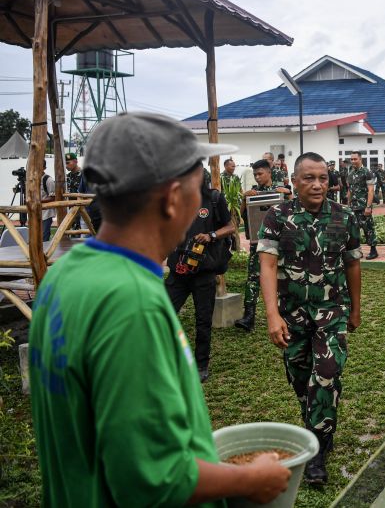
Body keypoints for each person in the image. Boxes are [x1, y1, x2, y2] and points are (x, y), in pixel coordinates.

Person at [28, 112, 290, 507]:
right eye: (195, 187)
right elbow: (152, 481)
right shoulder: (131, 302)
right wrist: (250, 479)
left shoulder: (64, 276)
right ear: (171, 199)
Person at [258, 152, 362, 485]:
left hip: (332, 312)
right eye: (309, 178)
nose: (318, 185)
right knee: (302, 381)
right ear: (293, 180)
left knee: (327, 373)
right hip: (292, 316)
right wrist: (273, 315)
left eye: (323, 178)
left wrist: (356, 309)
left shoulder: (345, 216)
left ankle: (316, 450)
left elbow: (353, 264)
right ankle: (320, 424)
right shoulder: (277, 216)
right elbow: (268, 266)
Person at [165, 170, 236, 382]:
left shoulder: (213, 199)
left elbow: (231, 226)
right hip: (178, 271)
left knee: (203, 322)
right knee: (162, 316)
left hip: (204, 273)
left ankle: (201, 365)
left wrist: (211, 235)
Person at [234, 160, 291, 332]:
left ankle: (286, 314)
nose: (257, 177)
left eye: (260, 173)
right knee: (252, 278)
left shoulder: (281, 190)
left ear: (269, 173)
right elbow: (243, 216)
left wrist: (288, 194)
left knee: (283, 277)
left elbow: (295, 210)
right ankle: (248, 317)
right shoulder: (253, 191)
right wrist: (245, 198)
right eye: (256, 174)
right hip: (258, 243)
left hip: (280, 243)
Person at [347, 151, 379, 260]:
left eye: (355, 159)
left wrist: (368, 207)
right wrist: (348, 206)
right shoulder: (350, 173)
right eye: (351, 159)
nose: (353, 161)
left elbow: (371, 190)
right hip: (353, 207)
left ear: (360, 159)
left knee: (368, 228)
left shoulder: (367, 172)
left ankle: (373, 250)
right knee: (354, 230)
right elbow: (350, 191)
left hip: (364, 206)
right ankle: (357, 251)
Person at [40, 159, 56, 241]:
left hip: (46, 213)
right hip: (35, 213)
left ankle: (45, 253)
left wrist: (39, 201)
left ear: (44, 168)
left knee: (44, 237)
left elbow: (53, 198)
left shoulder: (48, 180)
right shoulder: (30, 179)